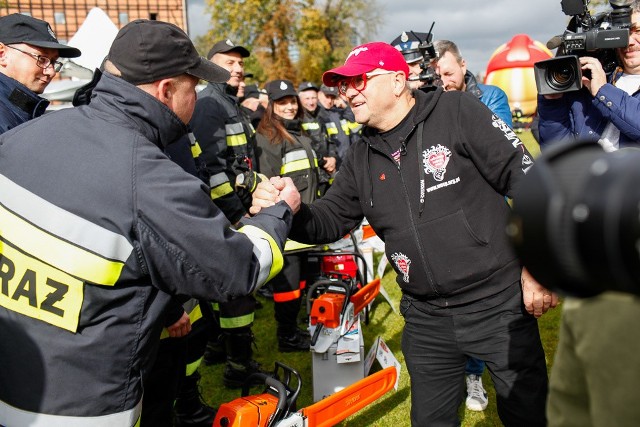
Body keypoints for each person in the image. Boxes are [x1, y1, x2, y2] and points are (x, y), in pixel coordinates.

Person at [0, 19, 298, 425]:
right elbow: (235, 269)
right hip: (85, 405)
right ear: (167, 91)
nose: (197, 99)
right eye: (193, 88)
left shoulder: (28, 134)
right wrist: (277, 214)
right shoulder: (149, 177)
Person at [251, 41, 557, 426]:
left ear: (398, 81)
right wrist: (291, 208)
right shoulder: (360, 154)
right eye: (344, 85)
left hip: (498, 305)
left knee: (528, 414)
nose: (348, 92)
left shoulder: (456, 111)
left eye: (359, 80)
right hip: (427, 319)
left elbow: (529, 180)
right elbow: (330, 218)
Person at [432, 37, 514, 412]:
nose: (445, 80)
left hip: (490, 206)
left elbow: (497, 145)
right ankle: (471, 374)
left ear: (463, 65)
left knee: (497, 298)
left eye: (449, 72)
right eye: (439, 75)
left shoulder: (490, 95)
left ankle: (498, 370)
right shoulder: (432, 100)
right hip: (451, 208)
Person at [189, 38, 267, 389]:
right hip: (226, 214)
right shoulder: (209, 104)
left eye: (239, 63)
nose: (237, 69)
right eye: (229, 63)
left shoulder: (227, 102)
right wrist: (237, 215)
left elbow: (241, 161)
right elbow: (211, 169)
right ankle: (239, 365)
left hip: (236, 207)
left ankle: (220, 349)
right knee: (236, 289)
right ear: (211, 65)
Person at [255, 79, 320, 352]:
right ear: (271, 107)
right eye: (283, 103)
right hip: (287, 225)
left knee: (301, 284)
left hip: (304, 221)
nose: (290, 107)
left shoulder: (300, 133)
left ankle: (294, 330)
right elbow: (270, 180)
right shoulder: (269, 137)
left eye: (292, 101)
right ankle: (287, 336)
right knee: (288, 288)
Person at [538, 0, 640, 151]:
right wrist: (553, 103)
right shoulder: (589, 81)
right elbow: (557, 150)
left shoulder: (599, 86)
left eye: (638, 31)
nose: (629, 41)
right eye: (623, 32)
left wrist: (603, 90)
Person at [0, 13, 80, 134]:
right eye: (42, 59)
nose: (51, 72)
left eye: (53, 62)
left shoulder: (19, 108)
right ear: (2, 54)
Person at [434, 39, 513, 127]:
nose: (444, 83)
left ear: (463, 66)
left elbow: (502, 138)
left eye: (448, 74)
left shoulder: (491, 97)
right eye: (437, 77)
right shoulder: (428, 101)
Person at [298, 81, 337, 195]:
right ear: (300, 99)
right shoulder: (298, 118)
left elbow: (330, 138)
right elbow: (305, 146)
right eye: (307, 98)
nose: (311, 102)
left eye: (313, 98)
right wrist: (324, 162)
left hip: (327, 173)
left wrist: (333, 158)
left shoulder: (322, 115)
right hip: (312, 174)